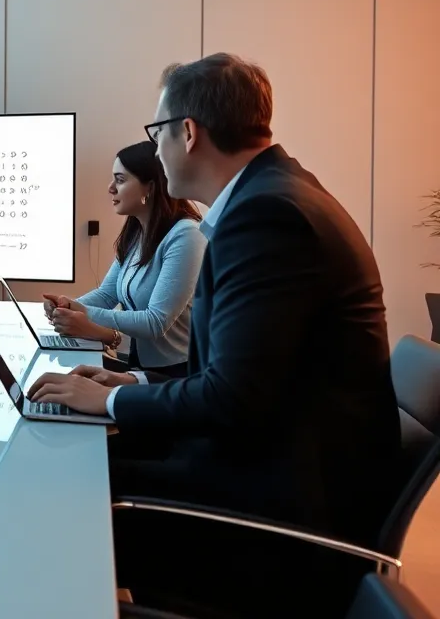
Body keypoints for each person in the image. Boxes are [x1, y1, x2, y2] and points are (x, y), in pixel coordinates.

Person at [26, 54, 399, 611]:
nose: (155, 150)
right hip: (275, 466)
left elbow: (232, 398)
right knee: (77, 460)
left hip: (278, 517)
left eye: (158, 134)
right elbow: (243, 376)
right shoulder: (277, 194)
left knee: (58, 481)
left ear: (189, 132)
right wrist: (131, 380)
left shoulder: (268, 216)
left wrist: (112, 399)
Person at [40, 141, 205, 379]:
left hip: (178, 374)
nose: (110, 188)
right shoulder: (137, 232)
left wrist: (82, 312)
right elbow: (107, 295)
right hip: (140, 364)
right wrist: (66, 305)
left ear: (149, 187)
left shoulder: (186, 235)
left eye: (120, 179)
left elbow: (155, 322)